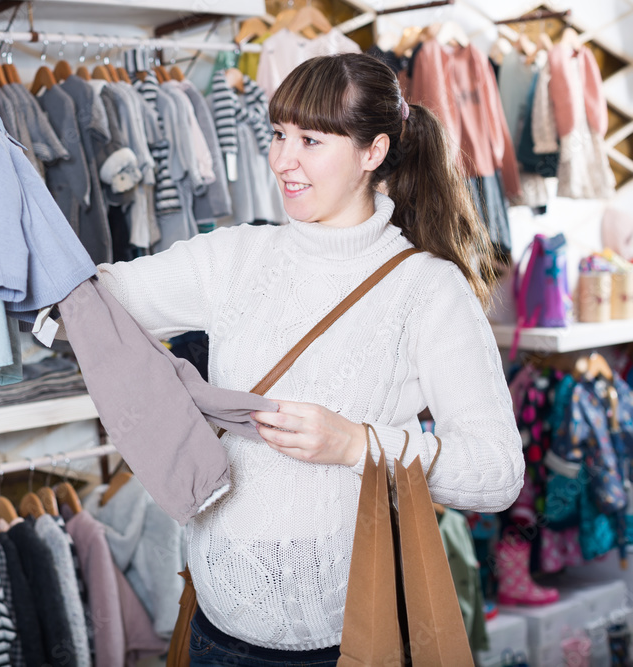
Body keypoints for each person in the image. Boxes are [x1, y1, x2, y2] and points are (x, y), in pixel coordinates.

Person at [95, 53, 524, 665]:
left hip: (353, 645)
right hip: (213, 633)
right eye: (277, 135)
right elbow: (96, 304)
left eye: (310, 140)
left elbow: (498, 473)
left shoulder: (427, 290)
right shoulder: (234, 257)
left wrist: (356, 445)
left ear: (373, 152)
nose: (280, 160)